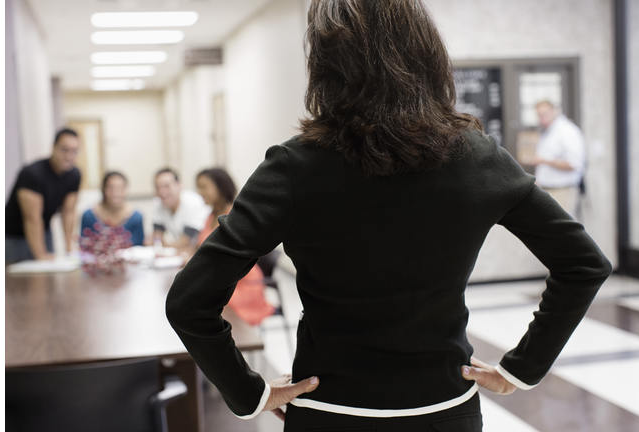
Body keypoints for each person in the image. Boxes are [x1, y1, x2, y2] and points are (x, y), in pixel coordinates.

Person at [166, 1, 612, 430]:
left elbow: (189, 301)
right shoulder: (478, 159)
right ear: (427, 53)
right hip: (446, 409)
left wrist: (249, 394)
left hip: (332, 411)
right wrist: (522, 369)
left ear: (325, 64)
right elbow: (584, 264)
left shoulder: (293, 168)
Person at [194, 168, 275, 326]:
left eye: (204, 186)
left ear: (220, 187)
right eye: (198, 187)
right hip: (222, 280)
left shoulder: (234, 216)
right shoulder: (211, 216)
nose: (200, 191)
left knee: (200, 306)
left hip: (241, 283)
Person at [5, 128, 81, 263]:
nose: (69, 155)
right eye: (65, 149)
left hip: (44, 231)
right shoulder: (33, 173)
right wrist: (40, 255)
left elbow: (68, 212)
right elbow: (32, 218)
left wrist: (69, 248)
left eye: (74, 151)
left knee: (49, 275)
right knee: (18, 280)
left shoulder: (74, 175)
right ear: (53, 147)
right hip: (13, 237)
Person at [525, 100, 587, 216]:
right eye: (539, 115)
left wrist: (544, 161)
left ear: (555, 111)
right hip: (546, 190)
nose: (541, 118)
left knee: (561, 231)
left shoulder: (567, 131)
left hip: (563, 191)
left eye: (544, 114)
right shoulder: (547, 132)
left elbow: (574, 164)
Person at [80, 171, 145, 246]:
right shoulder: (89, 215)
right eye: (111, 188)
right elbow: (84, 244)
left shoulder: (136, 217)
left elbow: (139, 246)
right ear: (103, 190)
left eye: (120, 188)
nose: (116, 192)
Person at [151, 168, 209, 249]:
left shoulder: (193, 202)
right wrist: (158, 245)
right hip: (179, 252)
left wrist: (164, 247)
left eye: (166, 186)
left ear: (179, 184)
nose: (162, 191)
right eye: (158, 187)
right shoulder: (158, 202)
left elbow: (187, 240)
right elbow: (157, 235)